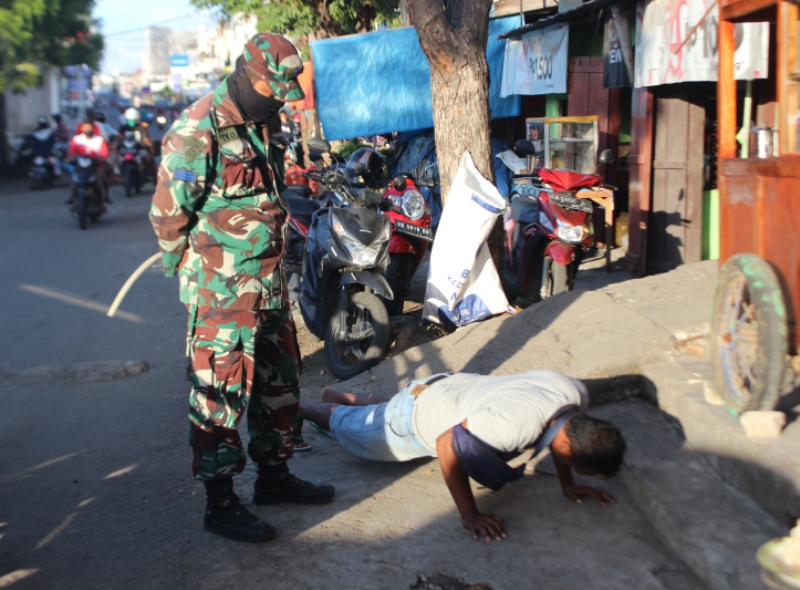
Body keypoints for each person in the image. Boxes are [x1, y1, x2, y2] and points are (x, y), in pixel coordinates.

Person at [149, 32, 334, 544]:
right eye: (276, 88)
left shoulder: (262, 123)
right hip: (222, 296)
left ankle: (275, 478)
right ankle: (220, 501)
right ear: (250, 75)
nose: (282, 98)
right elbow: (168, 215)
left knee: (281, 383)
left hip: (269, 285)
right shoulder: (197, 127)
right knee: (220, 392)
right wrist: (194, 274)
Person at [299, 369, 626, 542]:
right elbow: (446, 445)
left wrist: (568, 485)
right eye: (582, 468)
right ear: (569, 450)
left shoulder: (574, 394)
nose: (579, 471)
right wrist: (469, 515)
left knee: (394, 404)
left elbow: (562, 434)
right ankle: (305, 408)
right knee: (347, 425)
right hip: (411, 422)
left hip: (438, 386)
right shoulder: (515, 427)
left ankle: (341, 394)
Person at [67, 120, 110, 205]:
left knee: (101, 179)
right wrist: (69, 159)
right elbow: (71, 153)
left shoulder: (99, 140)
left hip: (95, 166)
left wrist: (101, 159)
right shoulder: (76, 139)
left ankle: (104, 198)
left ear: (93, 128)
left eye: (89, 127)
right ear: (82, 128)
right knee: (74, 180)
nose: (87, 129)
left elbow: (104, 155)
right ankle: (72, 197)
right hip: (81, 167)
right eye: (85, 127)